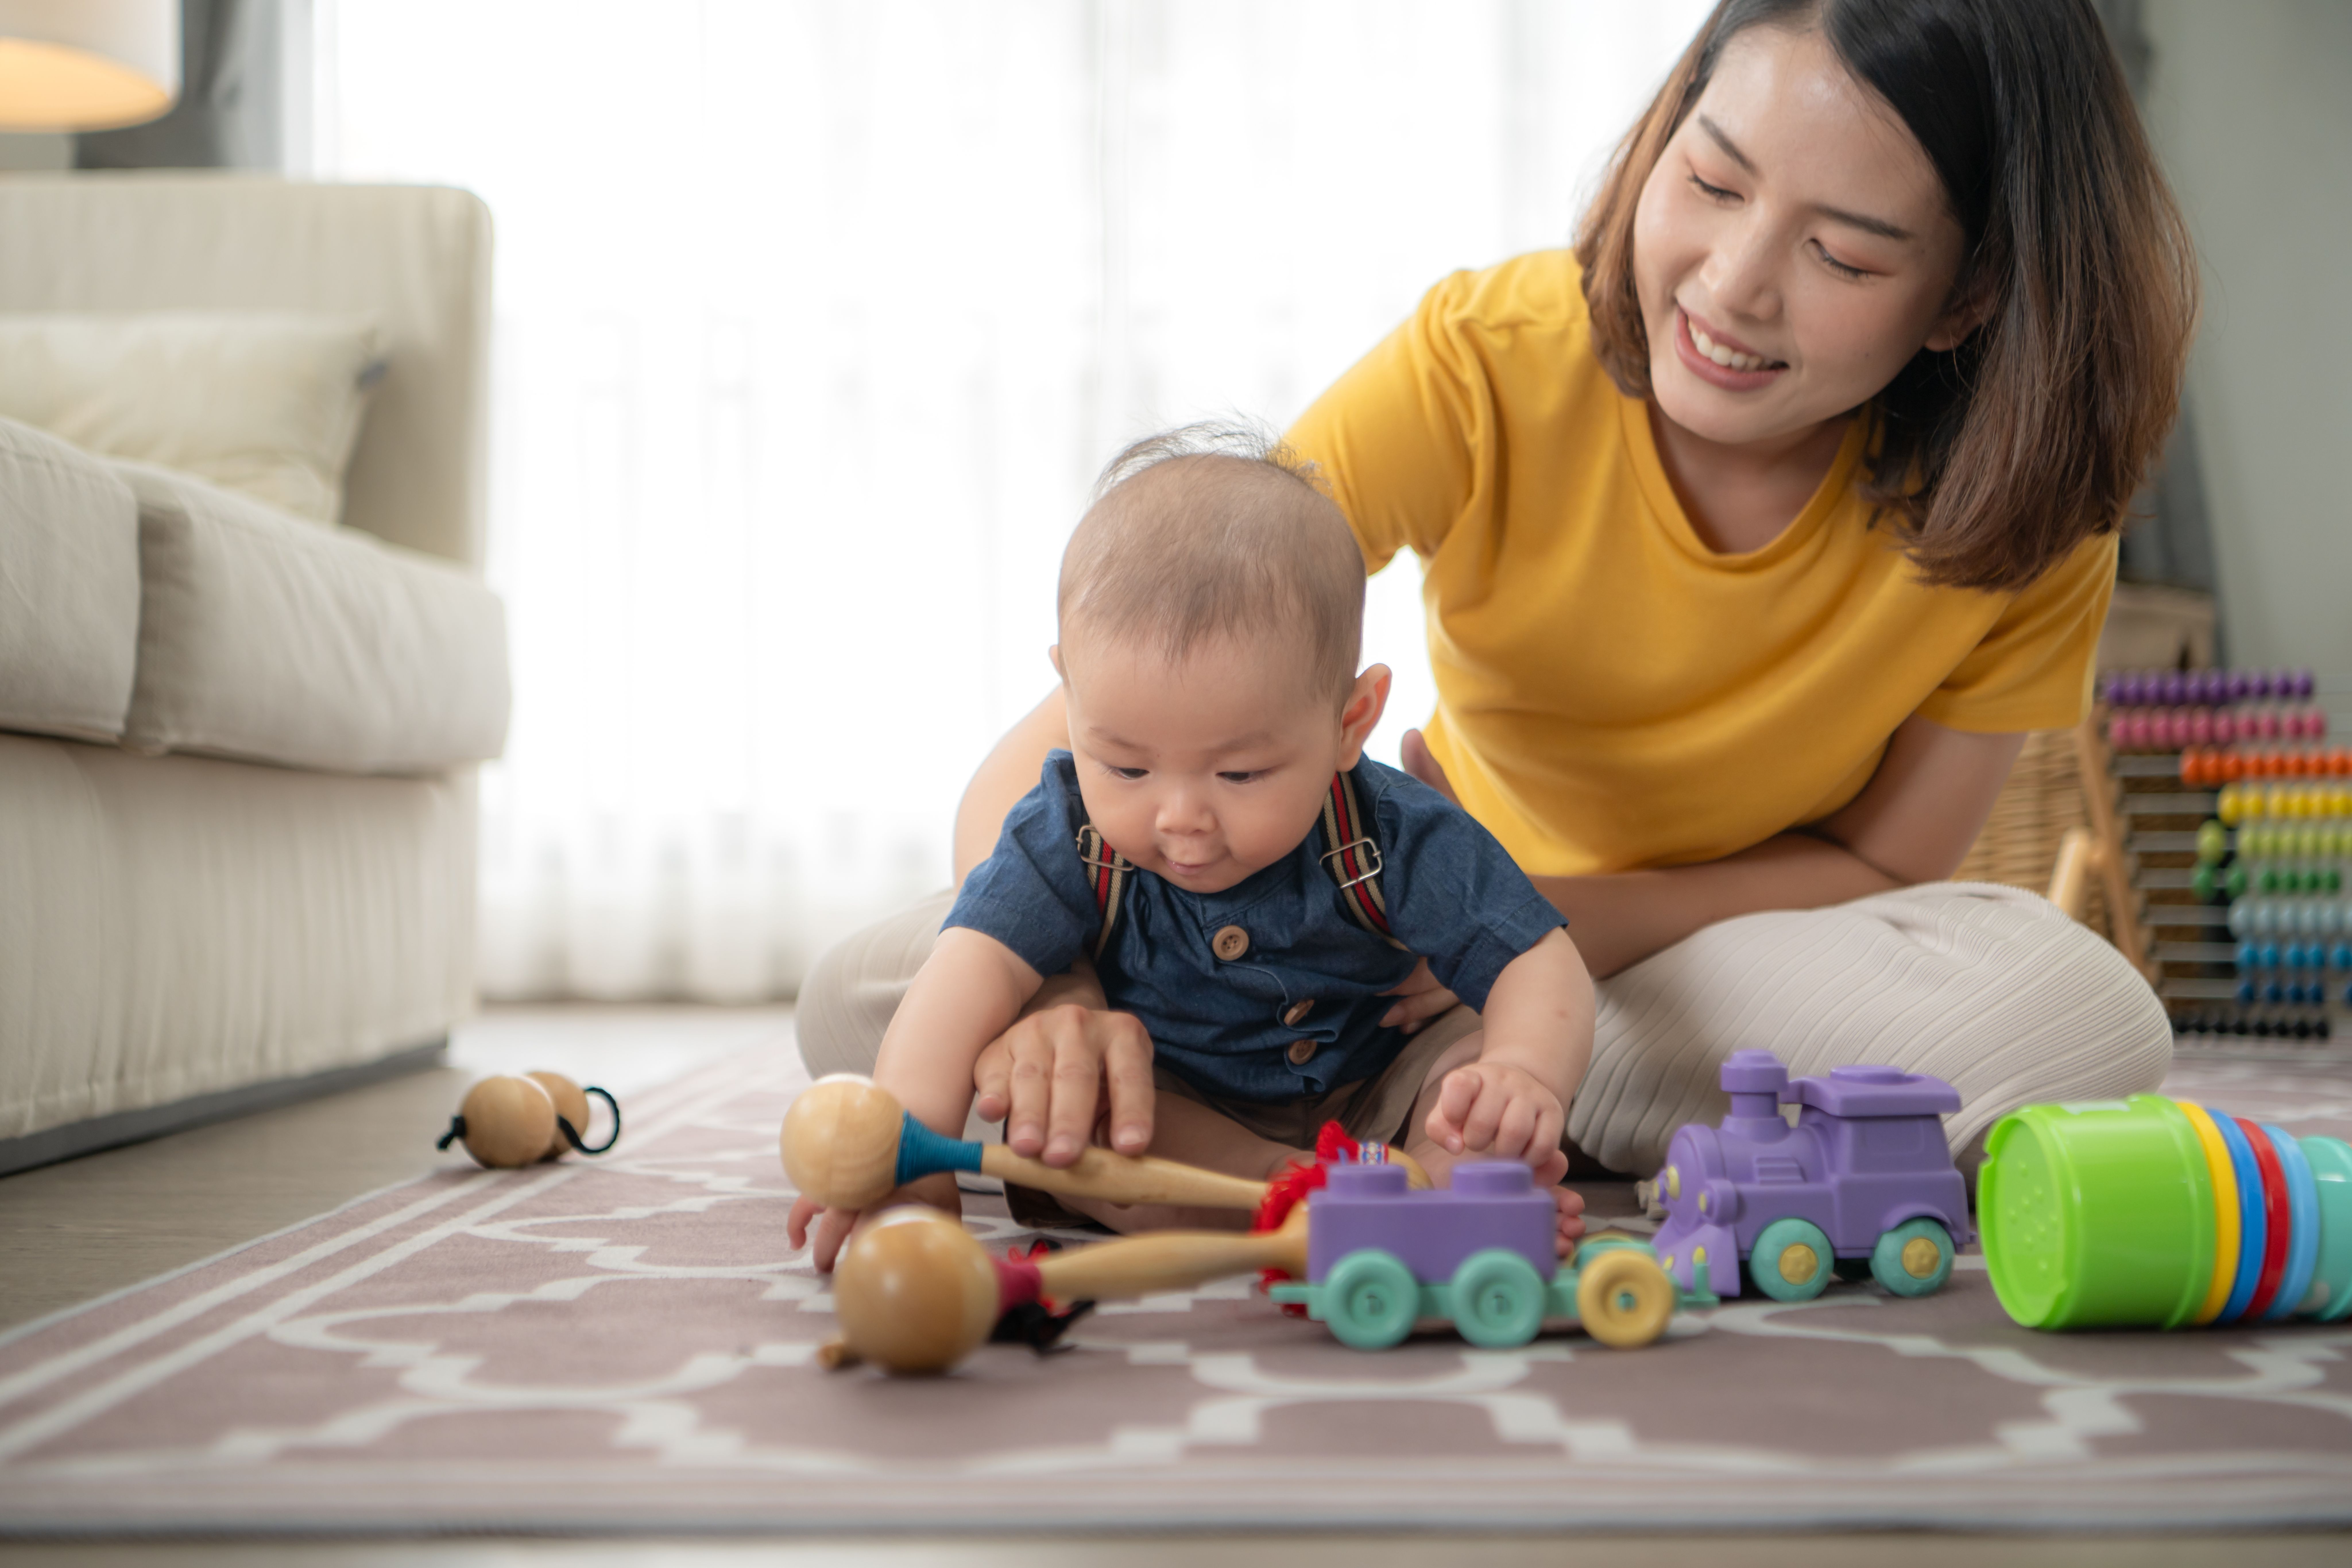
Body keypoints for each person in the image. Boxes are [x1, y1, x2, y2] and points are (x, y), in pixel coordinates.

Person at [798, 0, 2191, 1203]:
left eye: (1842, 254)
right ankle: (1337, 1137)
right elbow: (1072, 747)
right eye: (1709, 182)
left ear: (1968, 297)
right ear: (1662, 140)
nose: (1732, 285)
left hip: (1651, 971)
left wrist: (1523, 941)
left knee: (2079, 1014)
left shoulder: (2020, 515)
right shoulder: (1490, 361)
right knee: (866, 990)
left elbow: (1891, 872)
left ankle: (1423, 1103)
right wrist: (1061, 1000)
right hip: (1350, 949)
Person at [787, 431, 1593, 1272]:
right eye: (1127, 765)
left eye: (1239, 773)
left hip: (1380, 1095)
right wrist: (911, 1160)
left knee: (1473, 1090)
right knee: (1101, 1142)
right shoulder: (1066, 831)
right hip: (1185, 1108)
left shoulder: (1392, 833)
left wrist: (1522, 1075)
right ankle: (1290, 1199)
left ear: (1350, 722)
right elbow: (963, 978)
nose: (1180, 819)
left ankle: (1446, 1190)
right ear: (1072, 697)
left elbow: (1540, 961)